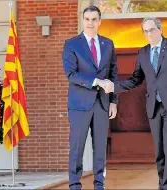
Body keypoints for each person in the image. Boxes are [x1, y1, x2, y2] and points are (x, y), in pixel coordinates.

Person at [97, 17, 167, 190]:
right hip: (154, 108)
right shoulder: (142, 53)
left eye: (152, 30)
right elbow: (136, 79)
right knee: (160, 152)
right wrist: (113, 87)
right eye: (146, 31)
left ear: (160, 30)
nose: (149, 34)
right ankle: (163, 185)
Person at [62, 5, 118, 190]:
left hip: (102, 104)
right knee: (77, 148)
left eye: (94, 19)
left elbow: (113, 74)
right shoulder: (71, 44)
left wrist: (114, 102)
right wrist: (97, 82)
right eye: (87, 19)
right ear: (82, 20)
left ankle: (99, 185)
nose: (90, 22)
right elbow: (71, 74)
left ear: (100, 21)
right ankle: (74, 185)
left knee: (100, 148)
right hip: (79, 105)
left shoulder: (108, 44)